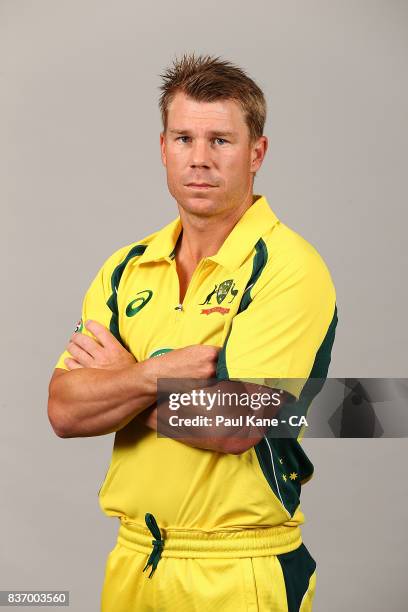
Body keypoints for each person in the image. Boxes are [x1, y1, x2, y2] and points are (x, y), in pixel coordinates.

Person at [48, 53, 338, 611]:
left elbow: (236, 424)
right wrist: (154, 375)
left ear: (258, 152)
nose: (199, 159)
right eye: (183, 138)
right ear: (162, 149)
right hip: (135, 558)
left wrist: (119, 382)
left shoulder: (287, 267)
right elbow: (64, 410)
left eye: (221, 141)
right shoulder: (125, 267)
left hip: (237, 568)